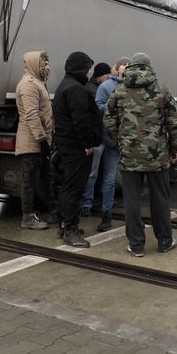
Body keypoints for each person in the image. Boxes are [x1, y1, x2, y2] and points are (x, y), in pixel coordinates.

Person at [104, 53, 177, 256]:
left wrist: (120, 143)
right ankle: (164, 240)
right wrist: (174, 149)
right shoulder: (162, 90)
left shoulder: (119, 91)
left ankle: (136, 245)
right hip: (158, 156)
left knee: (132, 201)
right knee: (160, 199)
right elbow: (174, 123)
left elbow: (109, 122)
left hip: (129, 156)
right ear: (149, 66)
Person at [53, 51, 102, 247]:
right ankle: (71, 230)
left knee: (67, 186)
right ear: (80, 68)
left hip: (67, 145)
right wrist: (87, 144)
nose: (89, 73)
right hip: (76, 148)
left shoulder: (64, 86)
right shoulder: (76, 89)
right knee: (74, 188)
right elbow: (80, 121)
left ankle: (65, 225)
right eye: (88, 69)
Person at [15, 51, 57, 230]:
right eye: (44, 64)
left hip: (39, 141)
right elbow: (31, 115)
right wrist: (41, 140)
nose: (47, 67)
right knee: (29, 179)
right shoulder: (28, 85)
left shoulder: (38, 83)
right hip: (31, 142)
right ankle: (27, 217)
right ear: (34, 65)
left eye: (47, 63)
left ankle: (54, 210)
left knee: (45, 177)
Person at [94, 56, 131, 231]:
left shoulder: (135, 87)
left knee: (132, 179)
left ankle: (132, 213)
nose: (125, 67)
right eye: (123, 64)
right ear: (116, 69)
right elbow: (99, 106)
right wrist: (114, 106)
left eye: (128, 65)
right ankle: (106, 214)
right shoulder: (106, 86)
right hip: (112, 141)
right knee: (109, 179)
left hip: (132, 143)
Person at [78, 62, 113, 216]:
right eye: (106, 75)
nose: (109, 78)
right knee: (93, 172)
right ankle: (86, 203)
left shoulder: (95, 87)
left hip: (103, 135)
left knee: (99, 172)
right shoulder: (92, 89)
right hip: (98, 136)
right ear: (100, 75)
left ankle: (95, 201)